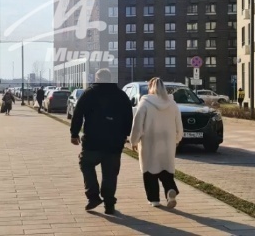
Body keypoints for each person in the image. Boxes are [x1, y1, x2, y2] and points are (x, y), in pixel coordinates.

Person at [70, 69, 133, 215]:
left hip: (93, 141)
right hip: (114, 143)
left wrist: (74, 133)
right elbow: (129, 117)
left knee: (86, 164)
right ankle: (109, 204)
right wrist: (125, 135)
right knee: (110, 173)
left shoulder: (89, 93)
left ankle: (93, 196)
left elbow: (78, 113)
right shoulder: (121, 95)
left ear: (97, 78)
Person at [130, 77, 183, 208]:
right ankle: (170, 190)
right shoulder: (172, 104)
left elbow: (138, 124)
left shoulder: (145, 103)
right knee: (166, 169)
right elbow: (179, 125)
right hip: (167, 143)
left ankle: (154, 200)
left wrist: (134, 141)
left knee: (149, 170)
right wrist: (177, 139)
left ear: (150, 87)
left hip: (149, 142)